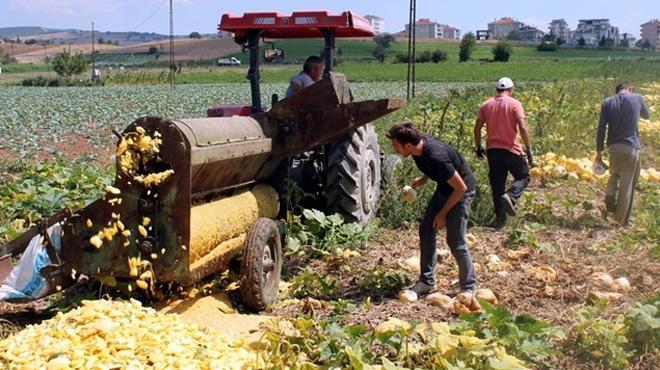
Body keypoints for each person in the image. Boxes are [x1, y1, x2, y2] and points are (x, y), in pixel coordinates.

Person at [386, 122, 477, 296]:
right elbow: (437, 167)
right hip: (446, 187)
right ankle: (427, 282)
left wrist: (442, 214)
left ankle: (469, 287)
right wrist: (424, 177)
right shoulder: (419, 147)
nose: (395, 150)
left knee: (455, 240)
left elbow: (461, 188)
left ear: (408, 145)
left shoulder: (436, 156)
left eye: (396, 146)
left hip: (461, 190)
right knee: (426, 229)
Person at [473, 77, 534, 228]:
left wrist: (479, 146)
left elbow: (477, 127)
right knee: (524, 176)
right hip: (511, 149)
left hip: (493, 151)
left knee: (497, 185)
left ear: (497, 90)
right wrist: (529, 149)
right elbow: (523, 127)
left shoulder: (486, 105)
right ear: (511, 90)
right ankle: (511, 196)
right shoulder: (515, 104)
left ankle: (500, 221)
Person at [595, 82, 650, 226]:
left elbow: (601, 129)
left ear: (617, 91)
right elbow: (647, 115)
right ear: (629, 89)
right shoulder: (637, 97)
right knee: (627, 185)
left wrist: (599, 152)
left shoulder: (607, 102)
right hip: (631, 148)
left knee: (614, 174)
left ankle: (609, 194)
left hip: (613, 148)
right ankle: (620, 221)